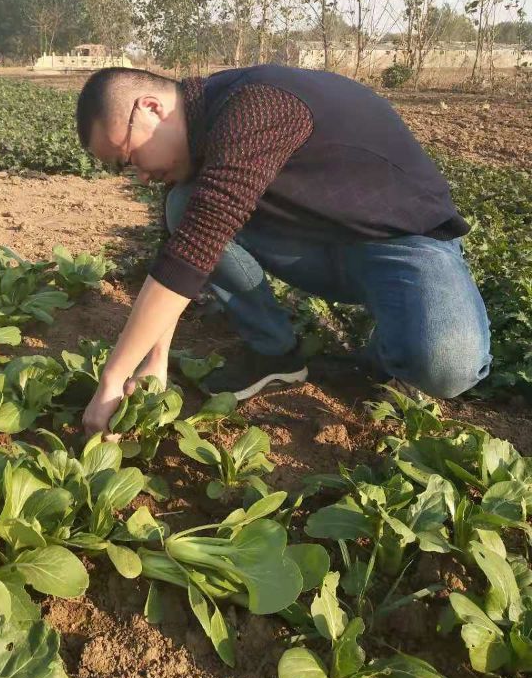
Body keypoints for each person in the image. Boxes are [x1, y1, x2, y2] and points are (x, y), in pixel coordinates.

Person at [76, 65, 491, 438]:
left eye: (129, 158)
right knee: (182, 205)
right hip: (316, 247)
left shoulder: (257, 105)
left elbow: (195, 247)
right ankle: (274, 353)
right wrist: (154, 360)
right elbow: (179, 247)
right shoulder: (200, 128)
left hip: (404, 243)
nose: (141, 176)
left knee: (446, 366)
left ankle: (392, 344)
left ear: (151, 107)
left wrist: (114, 377)